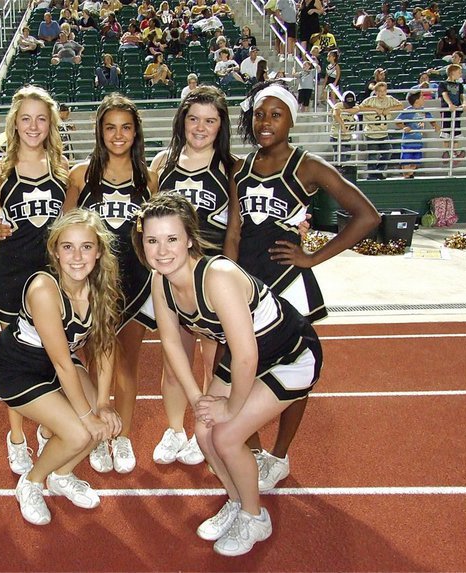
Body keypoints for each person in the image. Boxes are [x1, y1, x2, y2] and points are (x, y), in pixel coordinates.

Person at [131, 192, 323, 556]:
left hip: (290, 354)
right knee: (204, 431)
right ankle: (237, 500)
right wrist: (197, 400)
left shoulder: (217, 276)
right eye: (152, 241)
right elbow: (171, 343)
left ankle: (256, 518)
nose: (162, 250)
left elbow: (248, 355)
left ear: (190, 238)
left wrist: (231, 408)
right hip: (246, 355)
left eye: (172, 239)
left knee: (228, 436)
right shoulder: (160, 280)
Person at [226, 81, 379, 490]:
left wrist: (312, 257)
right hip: (246, 284)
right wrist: (224, 277)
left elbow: (367, 215)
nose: (265, 122)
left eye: (276, 115)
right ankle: (254, 452)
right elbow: (234, 231)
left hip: (287, 285)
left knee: (295, 371)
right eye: (260, 114)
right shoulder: (239, 168)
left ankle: (279, 456)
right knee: (242, 369)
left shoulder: (307, 166)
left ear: (291, 120)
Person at [0, 209, 122, 525]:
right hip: (16, 367)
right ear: (55, 251)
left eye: (86, 247)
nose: (77, 257)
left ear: (98, 251)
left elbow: (105, 346)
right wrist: (88, 417)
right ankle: (31, 483)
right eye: (68, 247)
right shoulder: (44, 289)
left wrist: (103, 403)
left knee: (99, 423)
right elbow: (62, 363)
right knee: (79, 432)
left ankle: (61, 475)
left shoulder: (102, 286)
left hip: (55, 363)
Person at [65, 94, 159, 474]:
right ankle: (99, 433)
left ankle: (124, 436)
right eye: (110, 128)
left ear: (136, 132)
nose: (118, 135)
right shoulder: (81, 175)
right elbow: (65, 231)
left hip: (135, 284)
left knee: (127, 367)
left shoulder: (148, 179)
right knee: (94, 363)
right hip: (93, 285)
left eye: (126, 127)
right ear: (99, 132)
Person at [0, 86, 68, 475]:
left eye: (41, 119)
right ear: (14, 124)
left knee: (52, 354)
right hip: (12, 275)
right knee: (16, 359)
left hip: (52, 279)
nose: (33, 126)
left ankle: (48, 428)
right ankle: (17, 437)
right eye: (26, 118)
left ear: (50, 124)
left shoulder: (63, 168)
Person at [148, 86, 235, 466]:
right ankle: (174, 430)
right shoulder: (163, 162)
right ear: (182, 120)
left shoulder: (231, 167)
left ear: (221, 126)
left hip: (213, 282)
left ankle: (207, 430)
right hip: (173, 279)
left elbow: (241, 225)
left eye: (210, 121)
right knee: (174, 362)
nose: (200, 127)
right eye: (194, 118)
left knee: (215, 363)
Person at [357, 82, 403, 179]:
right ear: (376, 92)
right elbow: (359, 108)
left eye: (384, 91)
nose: (382, 93)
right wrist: (374, 109)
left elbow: (401, 106)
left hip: (383, 132)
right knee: (373, 155)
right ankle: (371, 174)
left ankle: (379, 170)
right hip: (371, 132)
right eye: (380, 91)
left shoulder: (389, 99)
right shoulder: (370, 100)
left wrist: (389, 109)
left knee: (388, 152)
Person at [395, 90, 440, 178]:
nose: (424, 98)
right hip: (408, 141)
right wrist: (404, 127)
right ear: (416, 100)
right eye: (422, 97)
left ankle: (410, 174)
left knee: (416, 160)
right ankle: (406, 175)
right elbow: (397, 121)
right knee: (406, 160)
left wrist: (435, 125)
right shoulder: (408, 111)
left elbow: (431, 119)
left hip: (418, 141)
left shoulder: (424, 110)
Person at [437, 63, 466, 165]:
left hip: (457, 110)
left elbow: (462, 96)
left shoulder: (460, 85)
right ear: (452, 73)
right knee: (446, 130)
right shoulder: (443, 84)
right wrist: (450, 104)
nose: (461, 74)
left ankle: (455, 152)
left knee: (456, 131)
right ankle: (446, 152)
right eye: (459, 72)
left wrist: (464, 103)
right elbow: (444, 94)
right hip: (447, 110)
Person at [330, 90, 359, 164]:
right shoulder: (338, 105)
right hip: (337, 136)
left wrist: (343, 111)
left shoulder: (354, 106)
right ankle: (339, 170)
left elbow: (357, 109)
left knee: (347, 155)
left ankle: (343, 169)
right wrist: (343, 126)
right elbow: (335, 114)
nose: (349, 105)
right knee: (340, 156)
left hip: (347, 136)